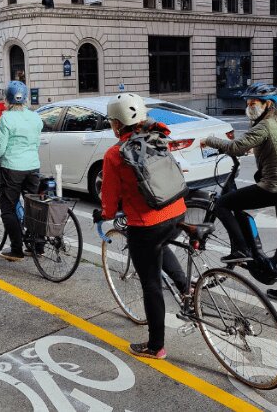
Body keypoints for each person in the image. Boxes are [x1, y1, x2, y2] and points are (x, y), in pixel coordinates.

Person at [94, 93, 187, 360]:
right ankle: (187, 289)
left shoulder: (114, 154)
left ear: (117, 124)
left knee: (151, 284)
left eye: (113, 121)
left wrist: (103, 214)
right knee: (163, 243)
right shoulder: (157, 135)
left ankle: (156, 346)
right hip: (176, 210)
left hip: (146, 224)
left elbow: (110, 202)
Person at [200, 83, 277, 302]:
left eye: (254, 103)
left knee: (223, 204)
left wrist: (209, 139)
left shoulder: (264, 125)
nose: (249, 106)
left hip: (275, 185)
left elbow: (235, 147)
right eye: (247, 103)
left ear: (268, 104)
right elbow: (275, 149)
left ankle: (240, 249)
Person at [0, 80, 43, 261]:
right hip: (33, 167)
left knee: (7, 209)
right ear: (24, 98)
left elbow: (0, 148)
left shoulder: (6, 118)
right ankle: (37, 246)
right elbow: (36, 142)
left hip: (12, 169)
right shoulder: (35, 117)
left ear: (8, 99)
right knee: (34, 208)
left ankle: (16, 249)